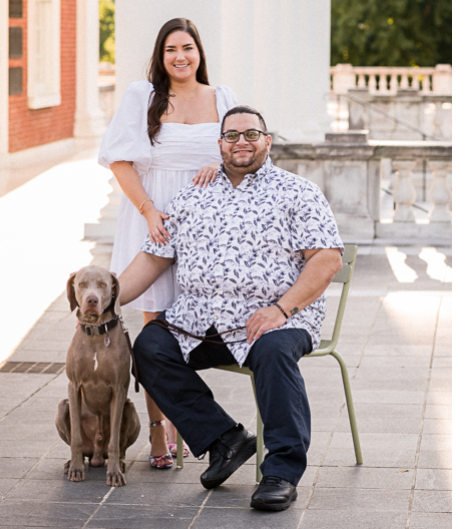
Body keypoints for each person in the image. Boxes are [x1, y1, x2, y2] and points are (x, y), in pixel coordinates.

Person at [117, 105, 343, 512]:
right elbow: (154, 257)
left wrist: (282, 310)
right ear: (219, 143)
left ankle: (281, 473)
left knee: (274, 353)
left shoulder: (298, 192)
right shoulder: (191, 194)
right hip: (202, 318)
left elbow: (326, 260)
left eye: (251, 134)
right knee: (151, 346)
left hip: (273, 318)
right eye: (233, 135)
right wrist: (105, 299)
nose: (242, 142)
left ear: (267, 140)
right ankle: (225, 439)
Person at [98, 18, 238, 469]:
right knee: (154, 324)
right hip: (152, 215)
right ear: (161, 56)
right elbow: (119, 161)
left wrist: (220, 169)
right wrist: (149, 212)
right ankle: (160, 431)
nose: (180, 57)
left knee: (187, 325)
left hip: (206, 228)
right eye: (171, 49)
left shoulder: (224, 98)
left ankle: (194, 420)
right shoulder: (143, 96)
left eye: (188, 47)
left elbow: (244, 157)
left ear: (200, 52)